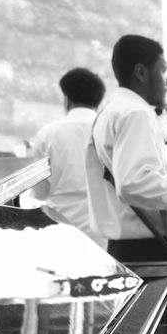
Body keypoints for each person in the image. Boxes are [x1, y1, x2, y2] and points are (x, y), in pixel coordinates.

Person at [85, 34, 167, 263]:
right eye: (163, 71)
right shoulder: (136, 113)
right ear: (141, 73)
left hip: (123, 251)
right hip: (147, 254)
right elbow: (133, 183)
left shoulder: (107, 114)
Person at [28, 67, 106, 245]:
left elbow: (40, 193)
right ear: (98, 102)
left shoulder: (47, 134)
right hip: (104, 234)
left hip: (60, 231)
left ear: (67, 99)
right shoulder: (110, 132)